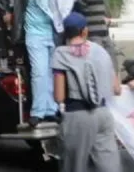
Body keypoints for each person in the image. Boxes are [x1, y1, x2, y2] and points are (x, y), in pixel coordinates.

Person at [0, 0, 74, 127]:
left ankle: (51, 110)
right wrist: (6, 11)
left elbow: (65, 6)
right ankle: (38, 112)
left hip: (54, 34)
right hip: (34, 34)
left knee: (51, 73)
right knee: (39, 72)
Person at [51, 13, 121, 172]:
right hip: (103, 114)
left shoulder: (61, 53)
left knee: (74, 166)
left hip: (77, 116)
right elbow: (116, 89)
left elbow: (59, 96)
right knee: (109, 167)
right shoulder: (101, 51)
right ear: (85, 31)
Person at [73, 0, 117, 66]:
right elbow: (77, 6)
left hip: (105, 35)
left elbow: (106, 13)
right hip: (93, 36)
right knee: (98, 64)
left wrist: (107, 19)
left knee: (112, 63)